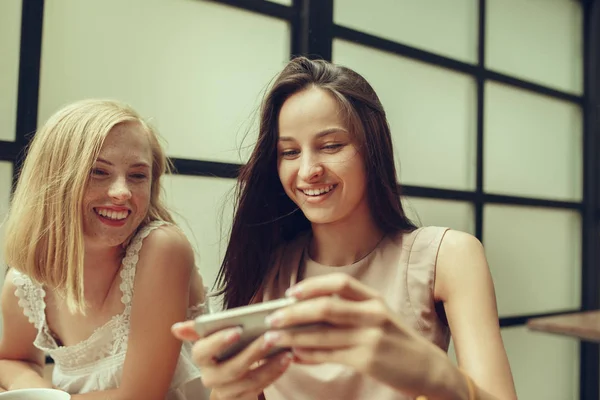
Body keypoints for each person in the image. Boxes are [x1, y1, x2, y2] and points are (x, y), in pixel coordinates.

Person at [172, 57, 517, 400]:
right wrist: (228, 390)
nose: (308, 170)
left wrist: (434, 376)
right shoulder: (270, 265)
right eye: (289, 152)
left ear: (373, 148)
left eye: (331, 146)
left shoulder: (448, 256)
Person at [0, 99, 209, 400]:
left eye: (138, 175)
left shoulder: (163, 248)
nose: (122, 192)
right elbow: (11, 360)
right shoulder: (25, 283)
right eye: (99, 172)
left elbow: (141, 396)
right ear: (53, 181)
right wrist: (39, 391)